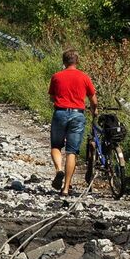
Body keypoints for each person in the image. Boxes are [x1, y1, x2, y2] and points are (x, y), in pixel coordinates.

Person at [48, 50, 97, 196]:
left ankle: (59, 170)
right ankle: (65, 188)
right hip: (77, 114)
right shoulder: (84, 77)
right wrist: (94, 111)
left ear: (64, 61)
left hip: (60, 113)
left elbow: (52, 97)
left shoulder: (56, 76)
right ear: (77, 61)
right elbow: (93, 100)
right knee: (72, 152)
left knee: (56, 145)